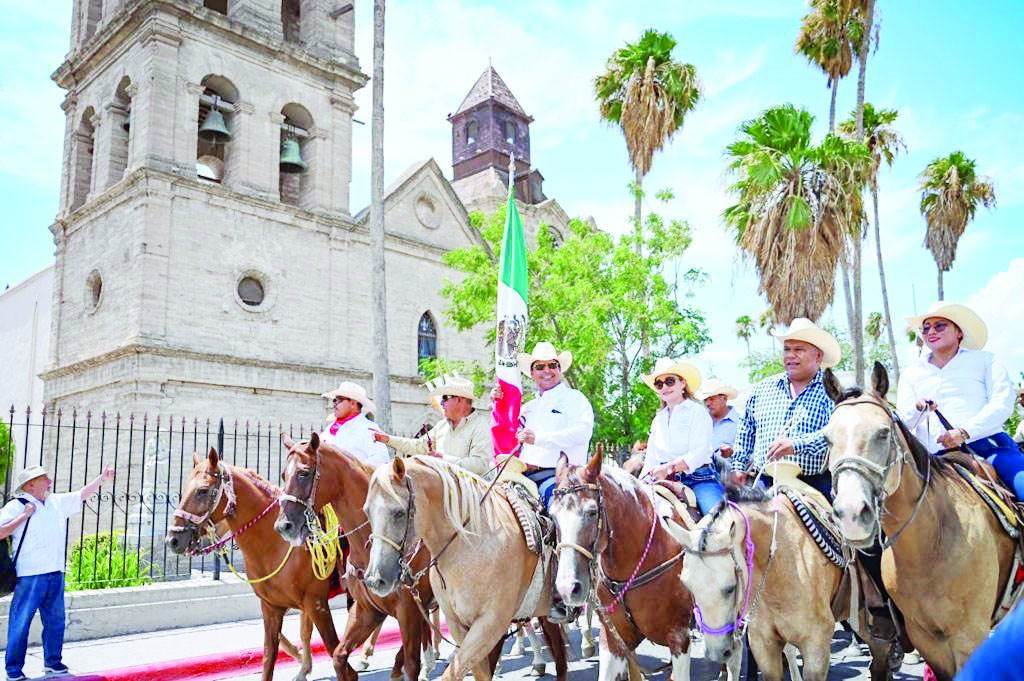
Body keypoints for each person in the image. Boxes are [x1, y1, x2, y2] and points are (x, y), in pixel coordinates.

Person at [896, 302, 1022, 500]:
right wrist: (917, 408)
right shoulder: (910, 374)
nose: (931, 331)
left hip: (988, 447)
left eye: (940, 326)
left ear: (959, 333)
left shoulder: (986, 361)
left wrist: (964, 432)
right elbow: (903, 421)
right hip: (929, 457)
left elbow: (1002, 403)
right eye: (926, 328)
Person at [1, 464, 114, 681]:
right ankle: (13, 670)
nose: (50, 481)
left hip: (55, 573)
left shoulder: (55, 502)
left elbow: (81, 494)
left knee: (55, 621)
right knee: (20, 623)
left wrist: (101, 479)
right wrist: (24, 516)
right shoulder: (16, 506)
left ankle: (52, 662)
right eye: (45, 478)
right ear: (30, 484)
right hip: (29, 575)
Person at [729, 317, 841, 499]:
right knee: (732, 523)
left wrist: (796, 445)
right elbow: (746, 430)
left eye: (799, 350)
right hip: (764, 480)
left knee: (840, 524)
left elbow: (836, 433)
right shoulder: (761, 389)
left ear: (818, 356)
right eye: (787, 349)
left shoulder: (833, 392)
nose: (790, 355)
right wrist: (738, 466)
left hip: (814, 482)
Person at [635, 357, 723, 515]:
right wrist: (639, 483)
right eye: (659, 384)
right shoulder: (658, 420)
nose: (664, 387)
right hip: (662, 480)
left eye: (669, 381)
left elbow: (700, 452)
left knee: (719, 524)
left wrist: (669, 468)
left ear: (682, 383)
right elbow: (651, 460)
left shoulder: (697, 412)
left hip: (699, 479)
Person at [513, 341, 594, 508]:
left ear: (559, 369)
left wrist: (539, 438)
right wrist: (499, 406)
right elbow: (508, 434)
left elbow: (582, 433)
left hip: (561, 477)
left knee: (560, 517)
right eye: (540, 367)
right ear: (532, 372)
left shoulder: (575, 398)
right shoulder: (528, 408)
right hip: (522, 476)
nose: (547, 371)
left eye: (552, 365)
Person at [374, 374, 492, 476]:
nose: (441, 402)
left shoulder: (480, 426)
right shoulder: (442, 426)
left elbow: (480, 465)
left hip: (470, 497)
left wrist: (444, 459)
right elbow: (417, 446)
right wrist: (387, 439)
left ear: (459, 400)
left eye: (445, 398)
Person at [319, 381, 389, 467]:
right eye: (334, 400)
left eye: (339, 400)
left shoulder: (368, 428)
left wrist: (352, 469)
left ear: (352, 403)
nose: (334, 404)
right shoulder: (329, 428)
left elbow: (381, 459)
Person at [698, 378, 741, 473]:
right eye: (705, 400)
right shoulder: (700, 422)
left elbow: (750, 454)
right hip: (699, 473)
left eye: (712, 399)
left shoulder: (741, 422)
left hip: (729, 476)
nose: (708, 403)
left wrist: (732, 452)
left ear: (724, 399)